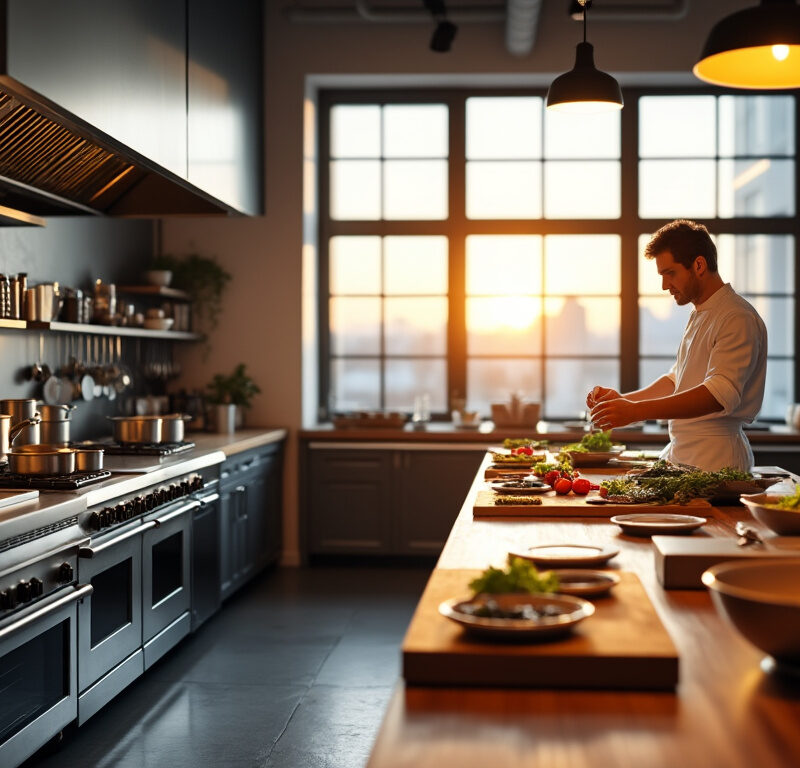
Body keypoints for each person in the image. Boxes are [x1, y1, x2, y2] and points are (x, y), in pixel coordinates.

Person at [587, 219, 767, 472]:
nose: (664, 285)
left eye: (670, 273)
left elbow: (718, 394)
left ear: (699, 265)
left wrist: (635, 411)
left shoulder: (736, 317)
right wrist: (622, 402)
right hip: (686, 452)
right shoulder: (702, 313)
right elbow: (676, 381)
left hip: (716, 458)